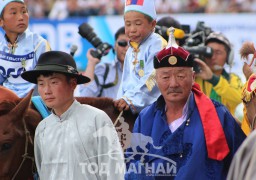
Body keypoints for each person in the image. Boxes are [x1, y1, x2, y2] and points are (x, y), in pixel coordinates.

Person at [124, 30, 246, 179]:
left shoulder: (218, 114)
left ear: (193, 77)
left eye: (181, 76)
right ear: (156, 79)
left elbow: (242, 162)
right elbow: (133, 165)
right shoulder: (146, 118)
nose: (173, 84)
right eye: (166, 77)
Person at [21, 51, 125, 179]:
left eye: (54, 82)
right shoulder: (42, 129)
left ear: (73, 84)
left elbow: (114, 170)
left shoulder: (96, 119)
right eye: (41, 84)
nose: (47, 91)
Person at [114, 0, 166, 114]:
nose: (132, 29)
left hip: (154, 109)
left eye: (138, 24)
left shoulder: (157, 44)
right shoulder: (131, 48)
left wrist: (130, 99)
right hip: (129, 104)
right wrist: (120, 99)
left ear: (152, 24)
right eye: (128, 24)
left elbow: (153, 77)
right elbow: (125, 80)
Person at [0, 0, 50, 98]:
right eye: (13, 13)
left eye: (24, 11)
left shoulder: (39, 44)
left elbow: (47, 81)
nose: (21, 17)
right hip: (7, 102)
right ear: (1, 22)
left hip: (34, 102)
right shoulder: (1, 48)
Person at [194, 32, 243, 116]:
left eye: (218, 52)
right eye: (209, 52)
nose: (213, 57)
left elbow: (239, 99)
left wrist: (213, 79)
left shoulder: (233, 78)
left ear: (228, 57)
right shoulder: (194, 78)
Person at [77, 26, 129, 98]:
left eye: (132, 44)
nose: (127, 48)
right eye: (122, 43)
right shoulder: (104, 70)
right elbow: (86, 96)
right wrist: (91, 62)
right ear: (115, 46)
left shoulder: (145, 70)